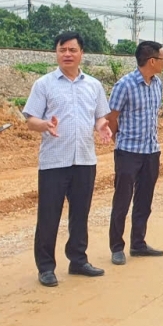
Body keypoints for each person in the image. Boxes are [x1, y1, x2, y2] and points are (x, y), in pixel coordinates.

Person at [22, 31, 112, 287]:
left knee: (80, 214)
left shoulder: (93, 85)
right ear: (56, 53)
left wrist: (102, 126)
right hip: (54, 161)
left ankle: (78, 260)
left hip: (84, 159)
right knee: (48, 216)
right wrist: (44, 125)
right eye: (62, 50)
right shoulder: (44, 84)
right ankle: (46, 267)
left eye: (72, 50)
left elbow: (99, 116)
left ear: (81, 53)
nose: (67, 54)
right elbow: (30, 119)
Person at [105, 41, 163, 265]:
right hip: (128, 152)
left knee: (144, 200)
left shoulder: (158, 84)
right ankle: (117, 247)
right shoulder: (124, 85)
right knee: (122, 201)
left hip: (151, 151)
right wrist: (118, 141)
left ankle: (138, 243)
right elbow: (111, 118)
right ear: (152, 61)